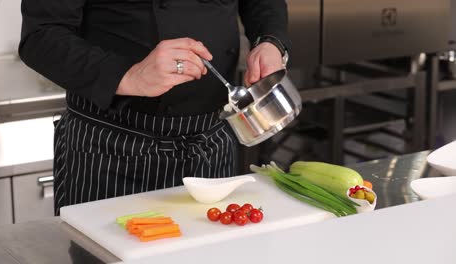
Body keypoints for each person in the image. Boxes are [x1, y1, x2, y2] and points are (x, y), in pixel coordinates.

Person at [19, 0, 291, 215]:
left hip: (210, 145)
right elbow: (40, 36)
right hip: (111, 149)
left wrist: (270, 41)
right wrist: (129, 76)